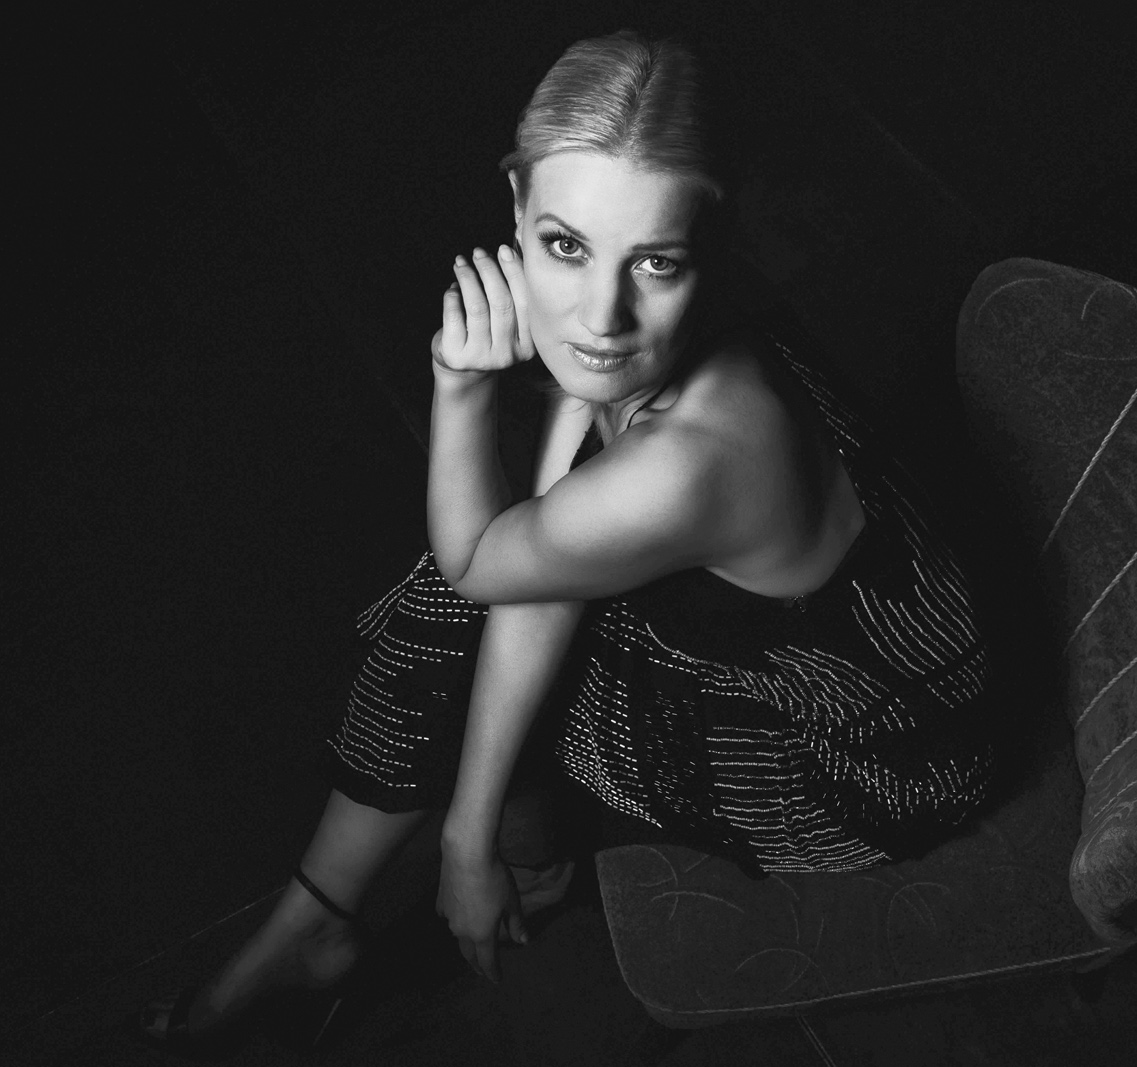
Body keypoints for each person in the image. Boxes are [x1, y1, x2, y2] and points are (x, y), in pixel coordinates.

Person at [137, 29, 993, 1055]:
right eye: (566, 246)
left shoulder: (691, 461)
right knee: (496, 586)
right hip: (822, 661)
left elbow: (478, 566)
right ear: (516, 208)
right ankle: (324, 916)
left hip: (866, 768)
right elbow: (529, 554)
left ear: (708, 247)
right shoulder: (659, 349)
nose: (600, 317)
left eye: (656, 263)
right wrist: (466, 828)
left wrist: (459, 383)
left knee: (463, 603)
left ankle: (423, 895)